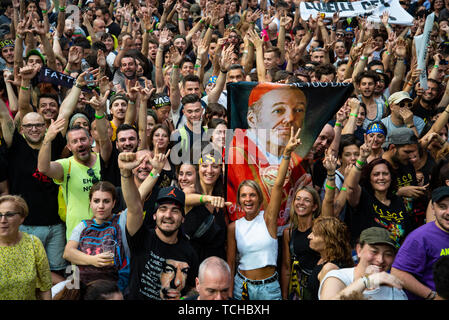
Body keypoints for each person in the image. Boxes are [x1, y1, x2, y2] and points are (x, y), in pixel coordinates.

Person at [227, 127, 301, 300]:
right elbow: (230, 262)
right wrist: (230, 292)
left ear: (260, 200)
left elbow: (277, 185)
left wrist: (287, 153)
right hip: (241, 287)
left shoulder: (268, 219)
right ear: (239, 201)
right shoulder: (233, 227)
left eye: (252, 195)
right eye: (244, 196)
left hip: (269, 289)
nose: (248, 199)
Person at [118, 151, 198, 300]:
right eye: (163, 209)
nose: (168, 215)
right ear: (154, 215)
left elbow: (192, 289)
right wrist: (125, 173)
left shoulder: (190, 252)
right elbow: (134, 207)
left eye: (175, 211)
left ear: (182, 219)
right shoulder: (141, 238)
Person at [227, 83, 307, 222]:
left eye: (298, 110)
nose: (290, 119)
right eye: (279, 110)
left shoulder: (295, 158)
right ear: (252, 119)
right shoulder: (236, 153)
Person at [344, 140, 414, 247]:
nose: (381, 178)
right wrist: (362, 158)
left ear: (391, 177)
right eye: (376, 174)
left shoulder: (398, 201)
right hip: (367, 255)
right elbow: (351, 187)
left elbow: (407, 234)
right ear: (369, 178)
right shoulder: (363, 197)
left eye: (385, 174)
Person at [63, 181, 129, 291]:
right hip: (86, 287)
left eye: (106, 201)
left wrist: (154, 172)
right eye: (96, 201)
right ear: (90, 203)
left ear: (113, 203)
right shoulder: (83, 226)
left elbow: (137, 201)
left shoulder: (122, 221)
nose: (101, 206)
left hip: (115, 287)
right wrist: (93, 260)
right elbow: (67, 253)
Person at [391, 186, 449, 300]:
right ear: (433, 207)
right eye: (442, 207)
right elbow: (398, 273)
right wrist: (432, 296)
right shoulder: (420, 238)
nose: (448, 212)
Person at [318, 227, 408, 300]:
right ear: (359, 250)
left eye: (388, 254)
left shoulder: (394, 290)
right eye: (374, 251)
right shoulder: (339, 277)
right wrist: (366, 281)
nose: (380, 260)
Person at [0, 195, 52, 300]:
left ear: (22, 218)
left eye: (9, 215)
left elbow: (45, 287)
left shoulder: (33, 243)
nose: (3, 220)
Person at [281, 186, 321, 300]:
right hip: (298, 291)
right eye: (298, 199)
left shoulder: (319, 229)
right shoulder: (288, 233)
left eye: (306, 200)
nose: (301, 203)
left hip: (319, 287)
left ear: (314, 207)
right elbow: (286, 267)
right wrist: (284, 295)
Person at [305, 216, 354, 300]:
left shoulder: (330, 268)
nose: (309, 236)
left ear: (329, 240)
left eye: (314, 234)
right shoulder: (323, 260)